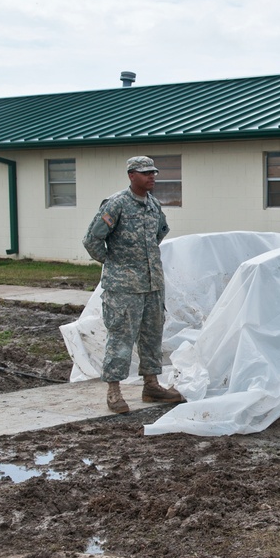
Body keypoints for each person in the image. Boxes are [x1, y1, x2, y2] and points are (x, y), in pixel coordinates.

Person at [82, 155, 185, 413]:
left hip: (152, 285)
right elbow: (92, 241)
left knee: (152, 336)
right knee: (120, 338)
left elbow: (160, 233)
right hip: (123, 287)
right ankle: (114, 391)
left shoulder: (153, 205)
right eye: (145, 172)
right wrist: (114, 264)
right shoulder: (116, 204)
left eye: (153, 172)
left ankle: (151, 385)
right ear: (131, 175)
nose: (151, 177)